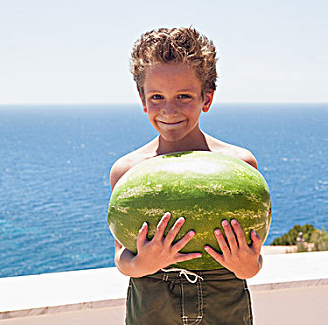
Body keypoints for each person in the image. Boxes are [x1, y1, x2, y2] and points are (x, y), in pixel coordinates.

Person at [110, 27, 263, 325]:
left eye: (183, 96)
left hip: (225, 307)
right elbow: (122, 259)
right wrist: (143, 262)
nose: (169, 109)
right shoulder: (127, 171)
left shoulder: (240, 165)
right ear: (142, 100)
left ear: (206, 98)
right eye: (157, 96)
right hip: (151, 307)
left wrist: (246, 265)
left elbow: (253, 262)